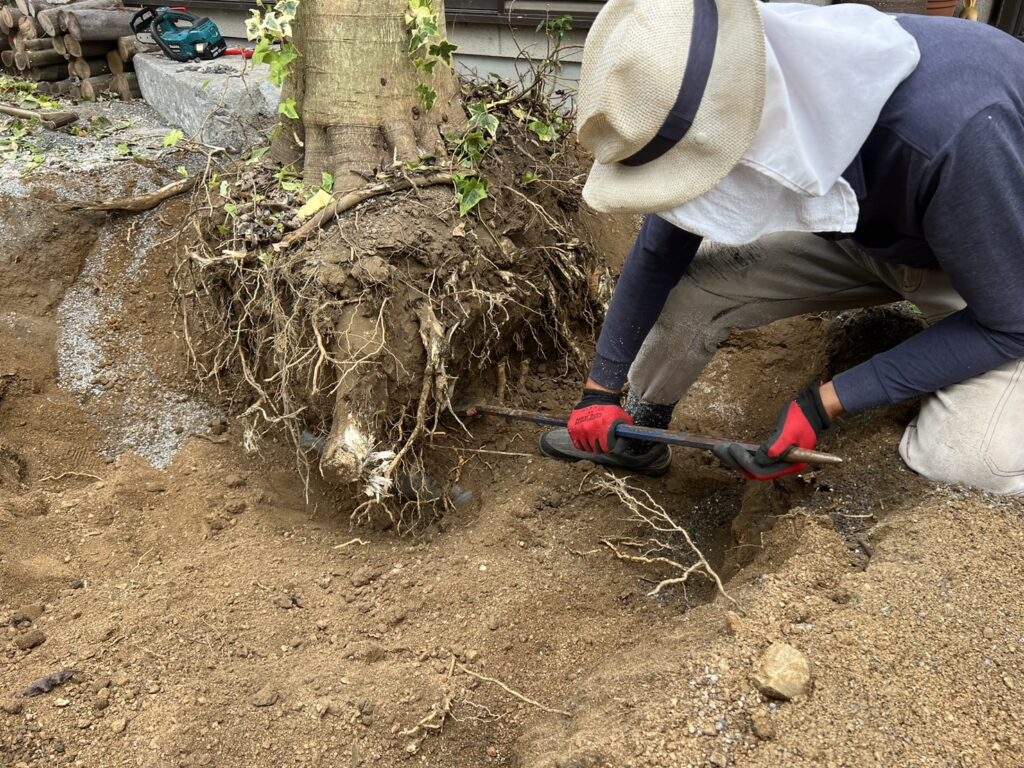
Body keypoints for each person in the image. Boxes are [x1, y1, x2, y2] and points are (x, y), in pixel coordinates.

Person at [539, 0, 1024, 495]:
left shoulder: (953, 135)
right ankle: (640, 430)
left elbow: (1009, 324)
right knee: (695, 290)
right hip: (873, 230)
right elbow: (663, 249)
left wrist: (828, 402)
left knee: (970, 459)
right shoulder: (734, 79)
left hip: (994, 265)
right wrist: (601, 389)